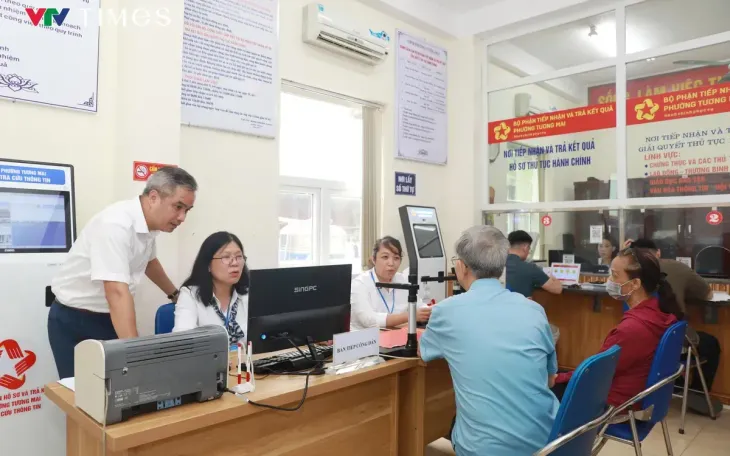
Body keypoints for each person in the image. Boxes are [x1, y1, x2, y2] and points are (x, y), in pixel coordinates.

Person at [420, 226, 558, 456]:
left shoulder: (446, 312)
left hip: (485, 448)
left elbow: (423, 353)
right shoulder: (534, 310)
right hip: (548, 441)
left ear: (462, 266)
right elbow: (550, 380)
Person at [48, 167, 197, 379]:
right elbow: (116, 292)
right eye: (178, 207)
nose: (182, 218)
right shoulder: (115, 225)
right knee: (82, 392)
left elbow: (149, 262)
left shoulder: (149, 224)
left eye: (187, 210)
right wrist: (134, 354)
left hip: (109, 316)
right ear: (153, 197)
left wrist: (174, 294)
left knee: (121, 388)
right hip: (75, 319)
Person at [552, 247, 683, 411]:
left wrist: (556, 379)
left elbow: (594, 372)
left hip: (611, 403)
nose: (609, 280)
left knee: (538, 389)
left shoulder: (632, 329)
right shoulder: (660, 313)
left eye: (614, 275)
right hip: (633, 394)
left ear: (635, 284)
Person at [627, 238, 721, 393]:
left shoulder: (628, 275)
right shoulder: (676, 267)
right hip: (671, 338)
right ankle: (696, 393)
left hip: (638, 337)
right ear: (658, 253)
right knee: (710, 344)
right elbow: (707, 293)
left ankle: (674, 385)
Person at [173, 232, 249, 346]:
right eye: (226, 257)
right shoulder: (190, 295)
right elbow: (182, 343)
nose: (235, 263)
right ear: (208, 264)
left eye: (239, 257)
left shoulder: (249, 293)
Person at [350, 236, 432, 331]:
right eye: (385, 257)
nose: (391, 263)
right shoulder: (359, 284)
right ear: (374, 259)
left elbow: (419, 305)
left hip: (397, 334)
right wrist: (410, 316)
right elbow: (369, 320)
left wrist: (431, 310)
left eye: (396, 258)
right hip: (366, 338)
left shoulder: (402, 279)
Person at [506, 230, 562, 297]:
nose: (528, 252)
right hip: (521, 304)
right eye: (529, 248)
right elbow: (557, 289)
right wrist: (553, 278)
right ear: (525, 247)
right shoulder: (530, 268)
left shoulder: (497, 265)